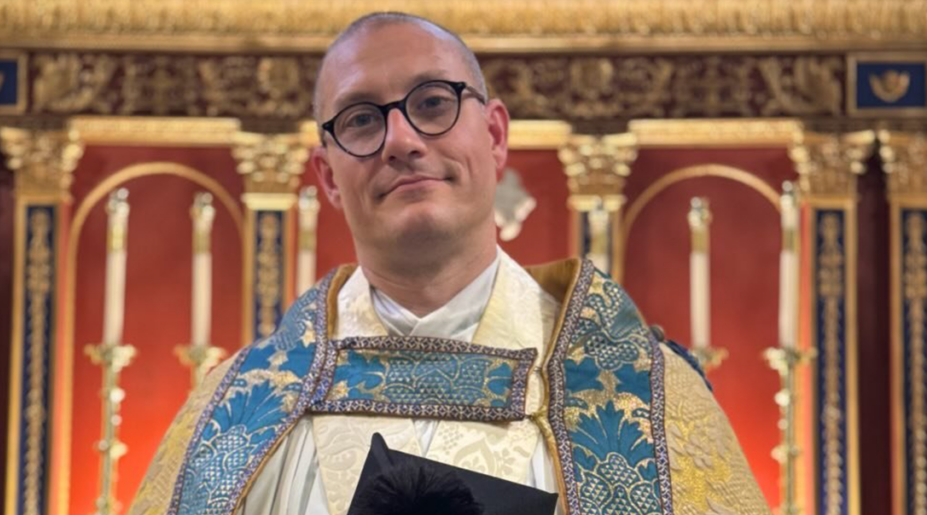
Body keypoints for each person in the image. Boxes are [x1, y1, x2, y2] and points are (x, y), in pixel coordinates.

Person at [129, 12, 770, 515]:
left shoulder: (644, 397)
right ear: (328, 176)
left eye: (432, 102)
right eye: (360, 120)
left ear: (493, 136)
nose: (402, 140)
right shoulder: (234, 410)